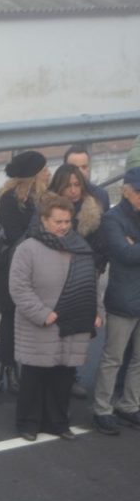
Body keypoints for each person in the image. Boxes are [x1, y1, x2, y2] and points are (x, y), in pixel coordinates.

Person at [8, 193, 101, 441]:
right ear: (44, 220)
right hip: (41, 324)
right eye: (58, 221)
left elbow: (90, 284)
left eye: (67, 221)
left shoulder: (80, 247)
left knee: (63, 376)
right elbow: (19, 288)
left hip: (72, 322)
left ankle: (57, 422)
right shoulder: (27, 249)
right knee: (35, 376)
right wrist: (43, 314)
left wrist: (95, 312)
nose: (63, 226)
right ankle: (28, 423)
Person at [0, 151, 50, 394]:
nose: (48, 172)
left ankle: (4, 366)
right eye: (44, 169)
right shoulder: (11, 199)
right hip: (10, 270)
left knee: (17, 320)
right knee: (10, 319)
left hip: (29, 268)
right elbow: (13, 236)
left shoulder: (41, 197)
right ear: (33, 174)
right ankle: (7, 366)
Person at [49, 163, 108, 400]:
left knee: (76, 335)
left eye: (77, 185)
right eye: (68, 185)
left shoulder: (91, 210)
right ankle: (49, 378)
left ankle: (70, 376)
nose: (73, 190)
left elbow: (102, 248)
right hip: (55, 282)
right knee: (54, 335)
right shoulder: (49, 211)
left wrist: (90, 268)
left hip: (83, 281)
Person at [90, 167, 140, 436]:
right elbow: (123, 253)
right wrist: (131, 248)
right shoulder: (112, 218)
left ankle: (129, 404)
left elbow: (132, 251)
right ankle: (102, 408)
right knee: (114, 357)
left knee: (139, 360)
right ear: (126, 191)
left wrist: (135, 245)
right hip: (122, 299)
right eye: (139, 193)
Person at [63, 144, 110, 212]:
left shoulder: (101, 196)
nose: (80, 172)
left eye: (84, 167)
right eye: (75, 168)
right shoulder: (53, 197)